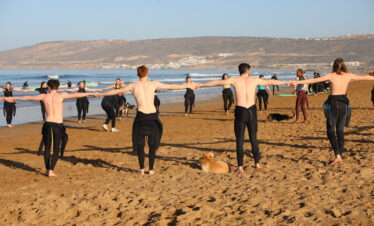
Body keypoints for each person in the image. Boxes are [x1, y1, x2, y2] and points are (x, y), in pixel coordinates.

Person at [98, 65, 191, 175]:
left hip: (141, 118)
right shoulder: (154, 83)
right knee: (152, 146)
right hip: (153, 118)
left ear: (137, 74)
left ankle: (142, 169)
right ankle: (151, 169)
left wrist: (99, 93)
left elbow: (114, 91)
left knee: (140, 146)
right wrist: (188, 85)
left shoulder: (133, 85)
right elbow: (171, 86)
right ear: (147, 73)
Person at [201, 63, 286, 174]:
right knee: (253, 139)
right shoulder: (254, 79)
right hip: (251, 110)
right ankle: (257, 164)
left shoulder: (234, 79)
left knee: (239, 140)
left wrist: (200, 85)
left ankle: (240, 167)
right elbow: (272, 82)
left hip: (241, 111)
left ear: (239, 71)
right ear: (248, 70)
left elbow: (217, 82)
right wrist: (288, 82)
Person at [3, 79, 97, 177]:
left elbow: (27, 97)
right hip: (58, 125)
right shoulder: (61, 95)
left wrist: (9, 98)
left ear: (48, 87)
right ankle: (51, 170)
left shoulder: (44, 96)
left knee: (47, 148)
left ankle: (48, 169)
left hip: (48, 124)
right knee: (56, 148)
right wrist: (91, 93)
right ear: (58, 87)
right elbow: (77, 95)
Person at [290, 58, 374, 164]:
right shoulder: (348, 75)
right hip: (344, 103)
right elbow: (365, 77)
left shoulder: (331, 75)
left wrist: (296, 82)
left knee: (330, 130)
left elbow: (313, 80)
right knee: (340, 130)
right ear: (344, 65)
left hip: (333, 103)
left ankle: (337, 154)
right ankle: (340, 155)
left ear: (334, 66)